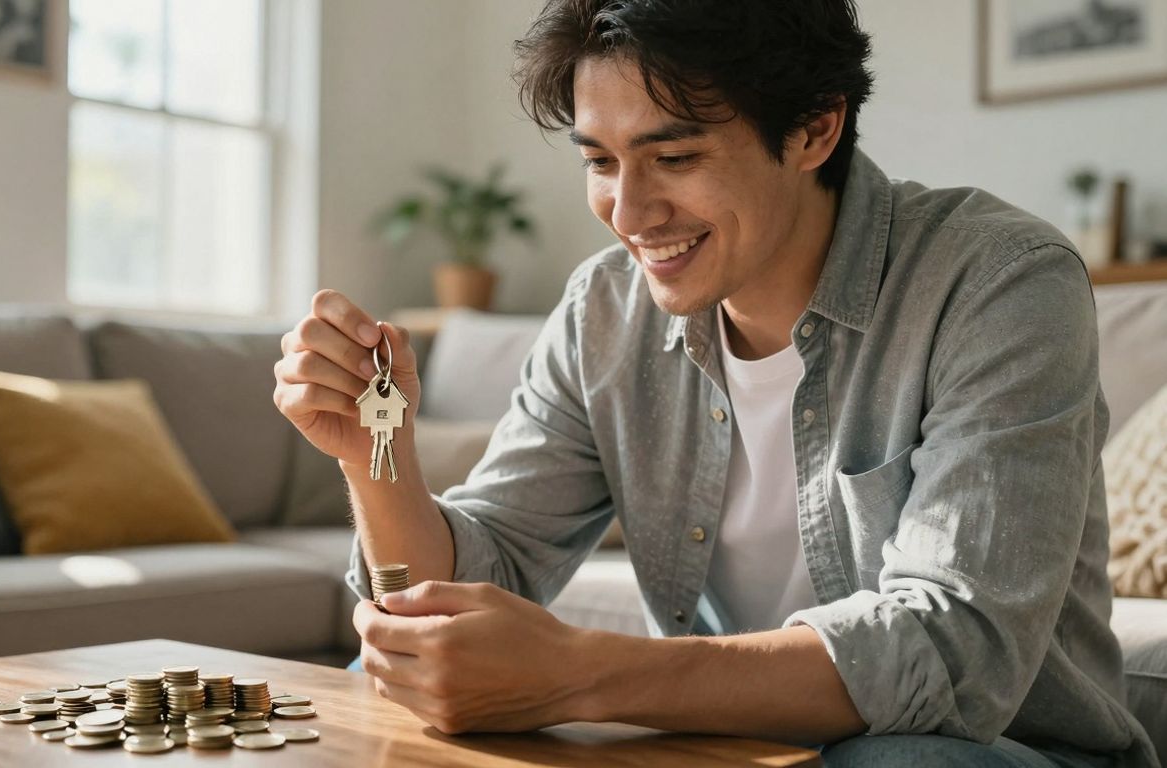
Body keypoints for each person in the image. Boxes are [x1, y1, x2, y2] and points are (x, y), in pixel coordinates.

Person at [271, 1, 1159, 765]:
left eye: (675, 157)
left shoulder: (998, 280)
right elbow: (482, 574)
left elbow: (954, 651)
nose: (628, 212)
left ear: (815, 127)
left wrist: (577, 674)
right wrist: (374, 459)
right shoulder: (603, 313)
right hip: (727, 748)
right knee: (387, 695)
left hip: (995, 754)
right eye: (599, 160)